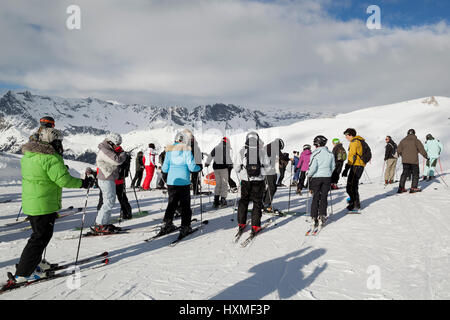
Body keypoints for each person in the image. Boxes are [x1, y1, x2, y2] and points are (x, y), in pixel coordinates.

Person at [11, 127, 93, 284]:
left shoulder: (30, 156)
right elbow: (64, 180)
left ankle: (33, 264)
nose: (60, 145)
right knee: (39, 238)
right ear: (52, 142)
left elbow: (44, 174)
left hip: (33, 202)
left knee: (38, 236)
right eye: (58, 142)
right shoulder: (51, 158)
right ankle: (23, 273)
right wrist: (84, 183)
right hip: (43, 204)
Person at [158, 129, 201, 238]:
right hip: (183, 182)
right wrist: (198, 168)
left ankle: (167, 223)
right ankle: (185, 226)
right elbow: (192, 167)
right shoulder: (186, 151)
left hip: (171, 182)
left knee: (171, 203)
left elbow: (165, 169)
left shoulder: (169, 151)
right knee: (185, 205)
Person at [234, 132, 270, 236]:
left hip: (245, 180)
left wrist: (243, 171)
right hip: (258, 181)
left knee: (243, 201)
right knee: (257, 202)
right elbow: (267, 168)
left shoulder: (242, 151)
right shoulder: (262, 152)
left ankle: (241, 223)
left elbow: (236, 168)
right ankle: (255, 226)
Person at [92, 133, 128, 233]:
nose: (118, 146)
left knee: (109, 201)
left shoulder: (107, 148)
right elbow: (117, 161)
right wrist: (123, 154)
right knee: (109, 202)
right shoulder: (105, 150)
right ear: (111, 142)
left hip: (108, 178)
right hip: (106, 178)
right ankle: (100, 224)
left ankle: (104, 223)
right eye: (117, 144)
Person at [308, 135, 335, 228]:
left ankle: (314, 217)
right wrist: (328, 173)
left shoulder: (315, 153)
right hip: (327, 177)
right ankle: (322, 215)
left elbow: (313, 167)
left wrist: (309, 175)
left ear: (317, 144)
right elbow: (333, 167)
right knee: (324, 196)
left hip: (316, 177)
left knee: (316, 197)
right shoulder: (330, 154)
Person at [342, 128, 367, 211]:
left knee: (351, 186)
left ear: (350, 135)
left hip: (356, 165)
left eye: (346, 135)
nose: (346, 137)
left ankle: (355, 204)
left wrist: (346, 168)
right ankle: (354, 201)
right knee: (352, 185)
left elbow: (351, 156)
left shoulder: (354, 142)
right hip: (359, 165)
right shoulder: (359, 140)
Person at [397, 129, 428, 193]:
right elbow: (421, 149)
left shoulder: (403, 141)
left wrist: (403, 156)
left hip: (405, 161)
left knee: (404, 173)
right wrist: (426, 156)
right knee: (415, 174)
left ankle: (401, 188)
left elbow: (398, 150)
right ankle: (413, 187)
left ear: (407, 133)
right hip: (414, 161)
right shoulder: (416, 141)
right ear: (414, 133)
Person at [206, 137, 233, 208]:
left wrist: (207, 163)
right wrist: (231, 164)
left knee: (218, 184)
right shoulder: (226, 148)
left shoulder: (216, 147)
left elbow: (210, 155)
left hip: (215, 168)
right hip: (223, 168)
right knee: (224, 184)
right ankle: (223, 200)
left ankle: (216, 200)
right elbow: (227, 158)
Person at [262, 138, 283, 212]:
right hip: (269, 170)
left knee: (265, 186)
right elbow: (281, 155)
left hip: (264, 169)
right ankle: (266, 205)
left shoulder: (268, 146)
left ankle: (263, 203)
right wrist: (287, 159)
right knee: (272, 187)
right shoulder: (274, 146)